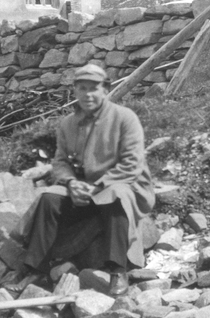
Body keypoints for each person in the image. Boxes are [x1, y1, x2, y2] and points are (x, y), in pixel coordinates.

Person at [18, 63, 155, 296]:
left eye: (94, 88)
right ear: (75, 91)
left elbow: (132, 164)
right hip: (83, 187)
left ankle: (117, 271)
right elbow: (60, 162)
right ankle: (35, 269)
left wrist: (96, 186)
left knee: (116, 197)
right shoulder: (68, 124)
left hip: (122, 184)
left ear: (105, 89)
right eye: (82, 88)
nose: (88, 94)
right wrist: (71, 183)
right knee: (49, 198)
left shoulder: (125, 118)